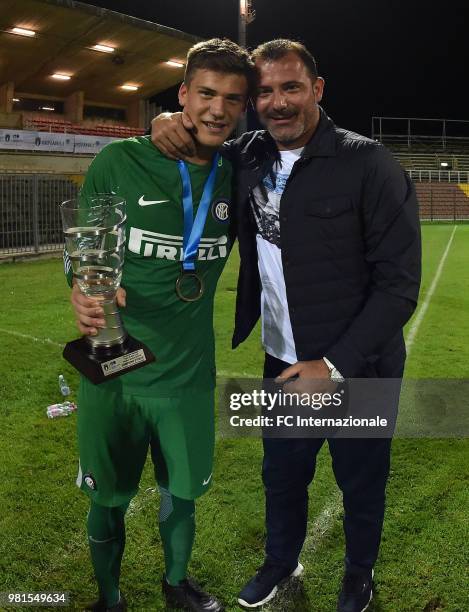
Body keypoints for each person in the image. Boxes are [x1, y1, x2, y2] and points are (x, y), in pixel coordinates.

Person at [151, 39, 421, 612]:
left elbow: (398, 286)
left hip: (359, 368)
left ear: (316, 90)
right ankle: (280, 562)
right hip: (281, 360)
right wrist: (162, 122)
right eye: (265, 92)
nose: (278, 102)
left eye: (291, 87)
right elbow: (195, 135)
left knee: (361, 482)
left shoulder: (369, 163)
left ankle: (358, 575)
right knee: (283, 474)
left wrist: (336, 364)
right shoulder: (247, 155)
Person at [63, 38, 255, 612]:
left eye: (232, 99)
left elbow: (304, 132)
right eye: (205, 94)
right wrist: (78, 283)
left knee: (182, 495)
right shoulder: (117, 163)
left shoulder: (240, 170)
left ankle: (176, 584)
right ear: (182, 94)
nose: (217, 110)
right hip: (112, 372)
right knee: (108, 498)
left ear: (244, 107)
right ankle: (109, 596)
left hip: (187, 376)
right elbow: (83, 254)